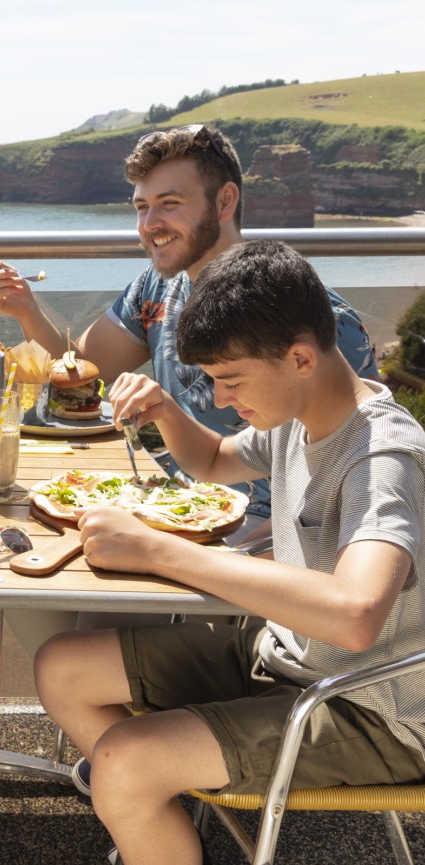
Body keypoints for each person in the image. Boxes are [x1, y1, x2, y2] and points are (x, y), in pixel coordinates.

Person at [35, 239, 425, 865]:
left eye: (230, 380)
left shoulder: (382, 455)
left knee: (124, 761)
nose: (219, 399)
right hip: (290, 657)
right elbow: (214, 461)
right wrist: (163, 408)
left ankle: (140, 797)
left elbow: (356, 615)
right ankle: (156, 828)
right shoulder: (302, 414)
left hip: (371, 708)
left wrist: (159, 552)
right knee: (64, 667)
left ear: (300, 357)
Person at [0, 126, 376, 662]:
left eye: (168, 204)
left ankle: (136, 723)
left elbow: (358, 473)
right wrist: (27, 311)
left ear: (226, 200)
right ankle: (123, 725)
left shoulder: (319, 328)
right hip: (172, 500)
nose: (149, 226)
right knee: (14, 565)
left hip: (256, 538)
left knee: (78, 610)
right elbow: (81, 372)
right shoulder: (157, 286)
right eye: (141, 207)